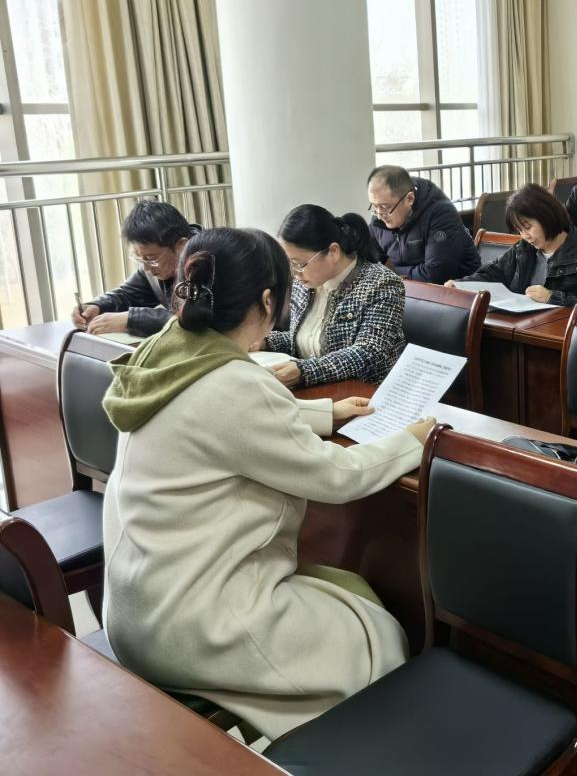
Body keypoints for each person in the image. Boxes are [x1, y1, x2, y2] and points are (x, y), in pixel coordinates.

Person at [100, 226, 435, 741]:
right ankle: (363, 750)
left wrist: (323, 412)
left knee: (345, 596)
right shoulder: (235, 383)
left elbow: (223, 423)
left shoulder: (166, 350)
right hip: (193, 623)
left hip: (136, 605)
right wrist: (413, 441)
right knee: (377, 636)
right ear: (266, 300)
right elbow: (337, 477)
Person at [262, 205, 406, 388]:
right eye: (289, 264)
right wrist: (265, 342)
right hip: (317, 389)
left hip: (364, 393)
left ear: (333, 252)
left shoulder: (382, 284)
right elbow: (306, 339)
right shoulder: (305, 283)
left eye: (298, 264)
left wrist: (304, 371)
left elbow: (369, 353)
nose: (294, 273)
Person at [455, 184, 577, 306]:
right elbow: (493, 273)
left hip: (560, 334)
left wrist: (553, 297)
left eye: (528, 227)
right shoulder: (523, 249)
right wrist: (460, 285)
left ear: (547, 217)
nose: (525, 236)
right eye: (519, 230)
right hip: (521, 328)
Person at [71, 200, 200, 337]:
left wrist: (131, 320)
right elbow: (128, 295)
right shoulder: (154, 266)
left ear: (181, 246)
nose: (146, 268)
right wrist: (97, 306)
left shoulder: (209, 261)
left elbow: (197, 320)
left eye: (151, 258)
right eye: (139, 258)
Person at [366, 165, 480, 283]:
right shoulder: (380, 218)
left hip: (460, 288)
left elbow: (435, 274)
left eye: (384, 206)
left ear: (410, 199)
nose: (379, 215)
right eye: (375, 206)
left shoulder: (441, 214)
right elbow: (366, 262)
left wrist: (391, 271)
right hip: (408, 288)